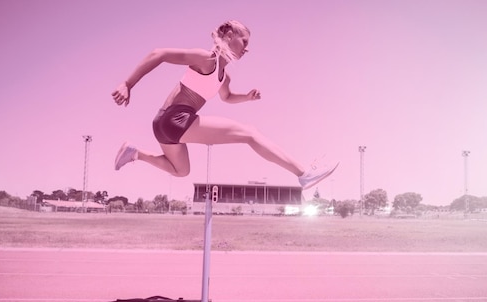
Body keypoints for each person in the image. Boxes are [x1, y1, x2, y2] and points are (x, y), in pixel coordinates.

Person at [112, 20, 337, 190]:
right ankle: (304, 172)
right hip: (175, 118)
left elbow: (227, 97)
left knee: (181, 171)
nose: (246, 48)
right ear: (229, 36)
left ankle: (135, 153)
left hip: (163, 126)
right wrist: (127, 84)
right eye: (244, 41)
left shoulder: (223, 77)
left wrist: (246, 97)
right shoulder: (206, 59)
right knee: (249, 133)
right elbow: (158, 54)